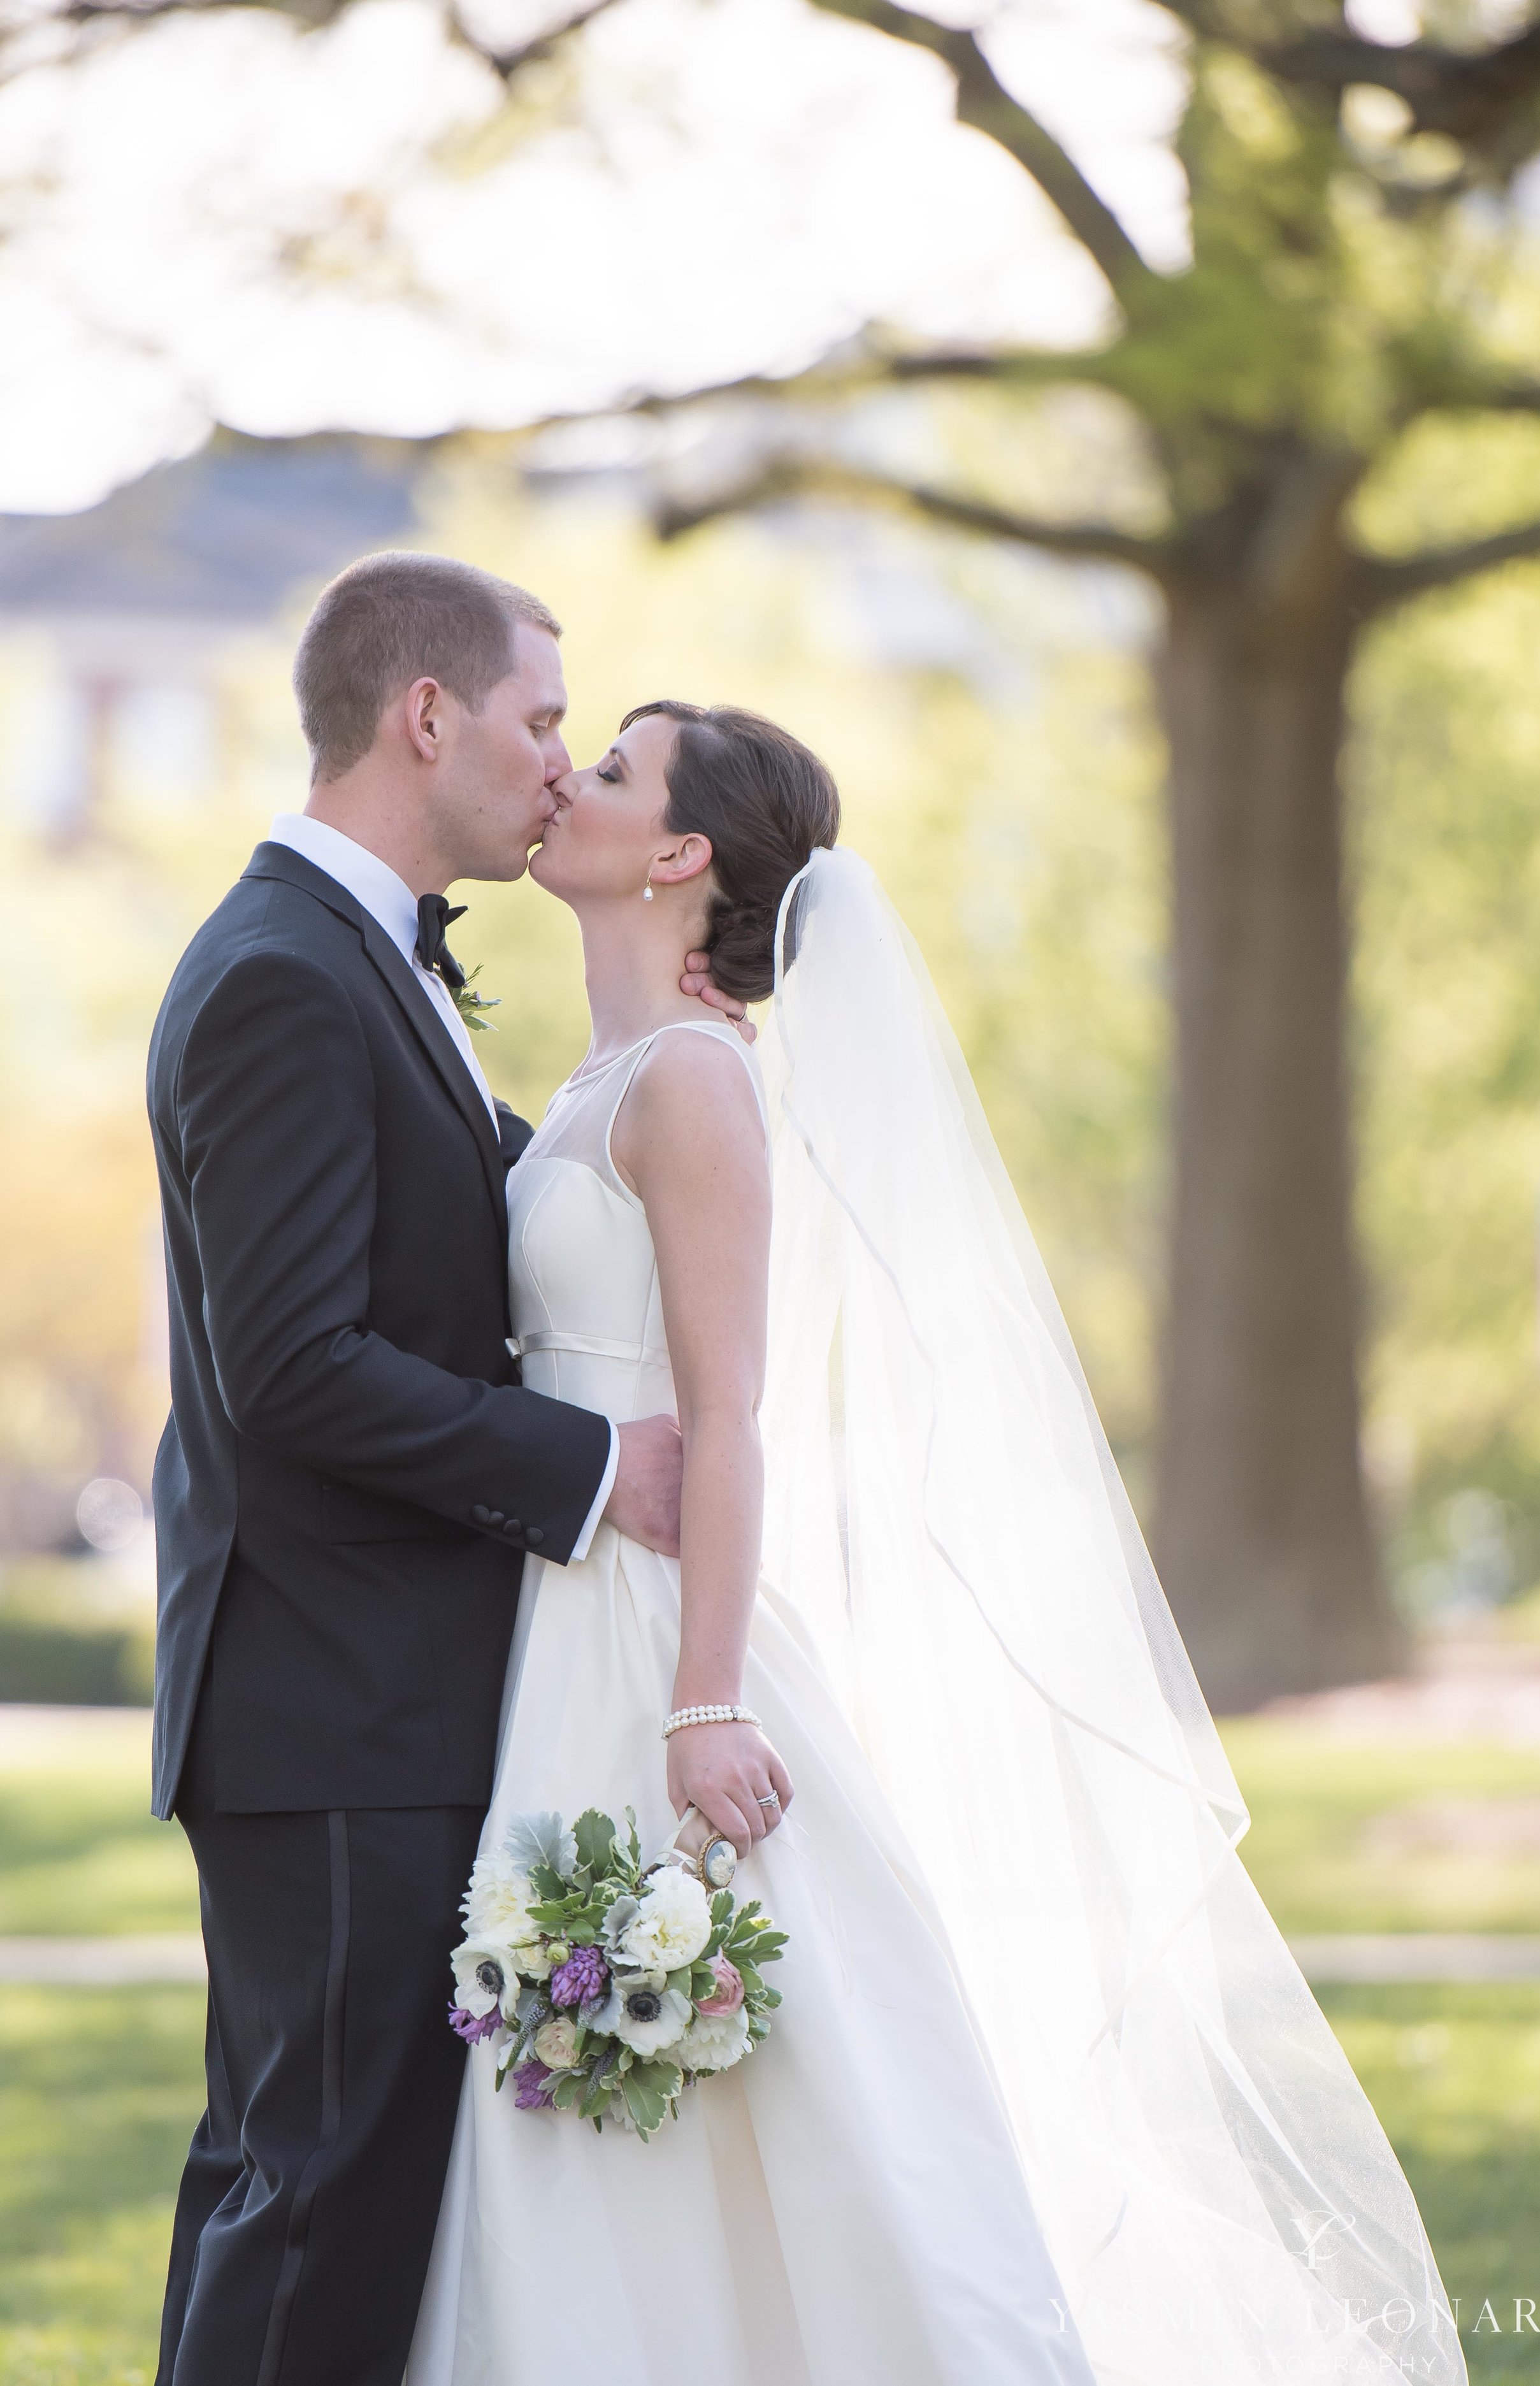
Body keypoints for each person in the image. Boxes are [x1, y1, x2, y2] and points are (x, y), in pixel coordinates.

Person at [407, 705, 1466, 2385]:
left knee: (809, 2090)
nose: (565, 782)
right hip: (567, 1612)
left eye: (608, 770)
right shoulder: (604, 1074)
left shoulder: (691, 1081)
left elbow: (730, 1414)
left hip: (659, 1632)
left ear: (678, 854)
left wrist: (698, 1704)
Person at [145, 554, 745, 2386]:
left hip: (365, 1697)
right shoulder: (283, 978)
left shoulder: (351, 962)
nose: (559, 765)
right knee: (315, 2204)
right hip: (330, 1702)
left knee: (293, 2185)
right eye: (540, 720)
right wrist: (589, 1467)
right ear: (428, 718)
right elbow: (295, 1367)